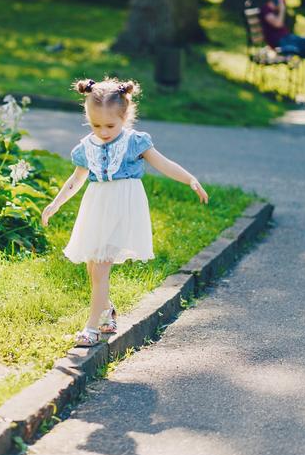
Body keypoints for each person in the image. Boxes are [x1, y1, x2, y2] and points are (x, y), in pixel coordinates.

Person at [41, 78, 208, 347]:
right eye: (96, 125)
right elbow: (76, 179)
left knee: (101, 267)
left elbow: (163, 164)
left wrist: (190, 179)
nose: (104, 132)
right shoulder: (87, 146)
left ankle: (92, 328)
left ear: (125, 116)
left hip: (123, 206)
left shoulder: (134, 142)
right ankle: (107, 312)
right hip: (96, 206)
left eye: (110, 125)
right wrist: (56, 203)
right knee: (92, 266)